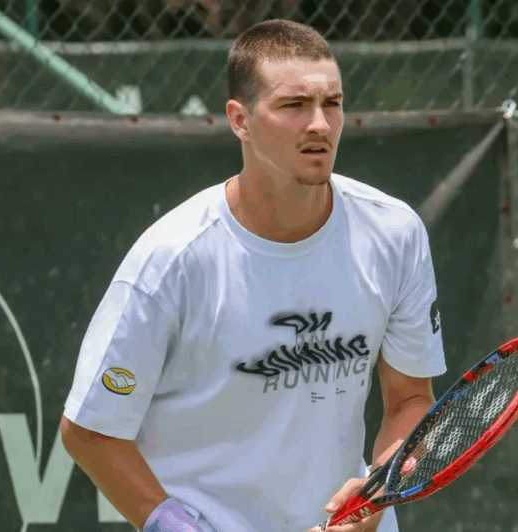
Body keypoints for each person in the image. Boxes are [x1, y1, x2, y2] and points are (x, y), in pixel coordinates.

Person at [60, 18, 446, 532]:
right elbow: (89, 431)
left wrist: (376, 490)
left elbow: (411, 398)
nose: (320, 125)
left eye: (332, 103)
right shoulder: (172, 259)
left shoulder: (395, 233)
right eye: (293, 105)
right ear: (239, 119)